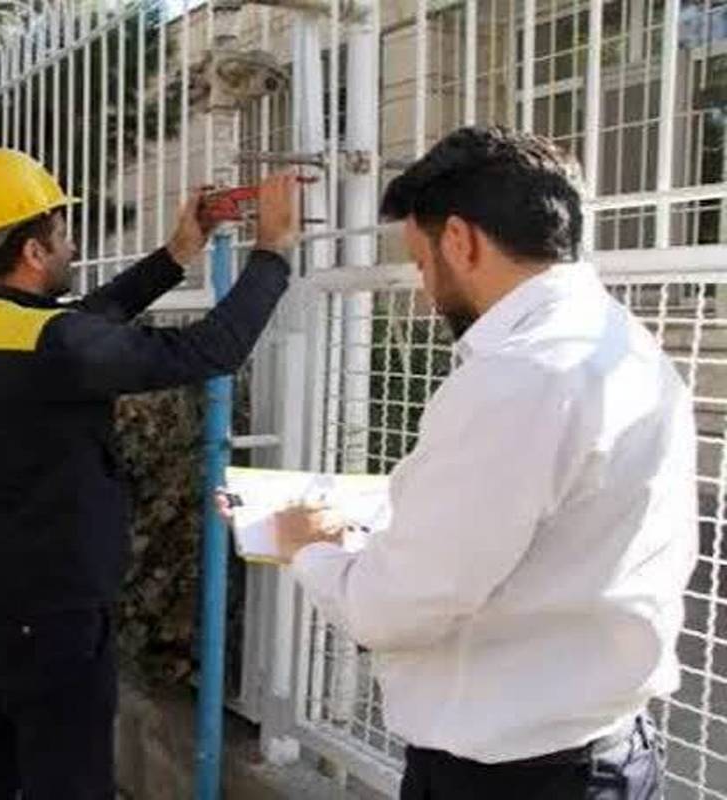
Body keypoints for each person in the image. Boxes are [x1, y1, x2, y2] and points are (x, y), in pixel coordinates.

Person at [223, 126, 697, 799]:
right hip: (602, 752)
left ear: (459, 240)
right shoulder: (619, 342)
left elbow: (396, 607)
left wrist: (306, 545)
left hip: (515, 778)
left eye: (421, 264)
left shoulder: (518, 376)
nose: (425, 292)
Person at [0, 148, 301, 799]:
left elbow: (84, 321)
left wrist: (176, 253)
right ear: (34, 251)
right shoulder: (55, 344)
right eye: (63, 232)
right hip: (48, 613)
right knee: (69, 780)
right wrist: (273, 252)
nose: (73, 245)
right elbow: (208, 350)